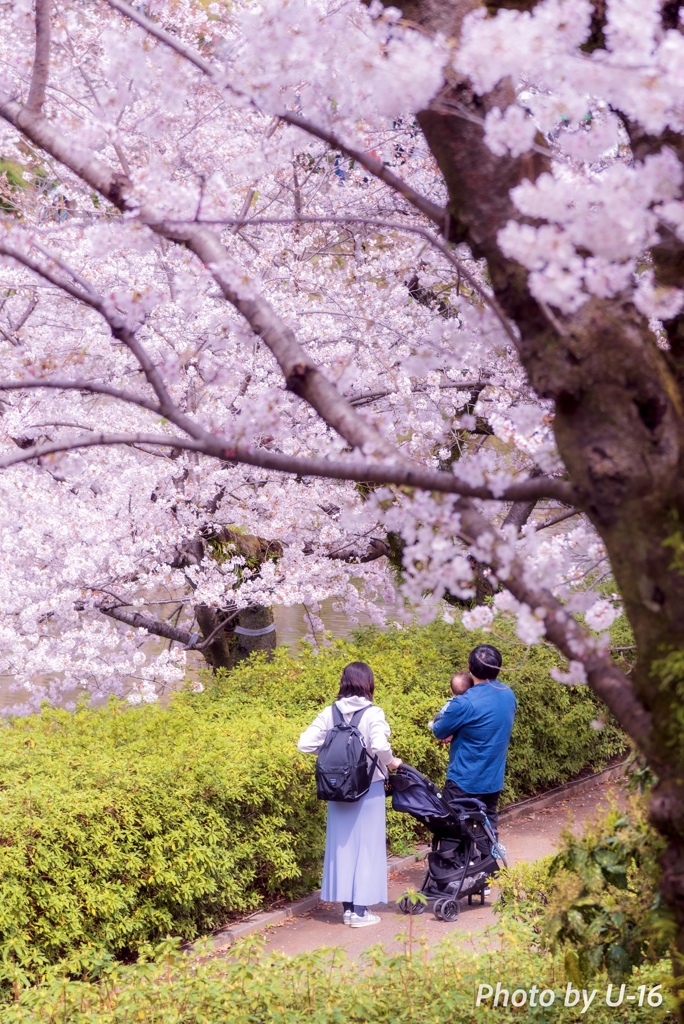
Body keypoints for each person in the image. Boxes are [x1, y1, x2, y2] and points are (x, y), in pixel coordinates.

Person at [297, 661, 401, 928]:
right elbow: (379, 744)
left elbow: (304, 743)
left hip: (337, 789)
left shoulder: (329, 712)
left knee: (341, 848)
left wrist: (332, 749)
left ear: (344, 682)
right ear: (368, 683)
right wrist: (391, 762)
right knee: (367, 848)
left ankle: (347, 910)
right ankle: (360, 912)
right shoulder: (373, 713)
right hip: (368, 788)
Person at [431, 644, 516, 840]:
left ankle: (457, 870)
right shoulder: (508, 695)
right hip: (493, 779)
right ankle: (490, 868)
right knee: (488, 829)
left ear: (469, 667)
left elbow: (439, 730)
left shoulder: (464, 702)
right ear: (498, 668)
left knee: (453, 834)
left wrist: (448, 728)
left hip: (464, 780)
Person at [427, 671, 474, 737]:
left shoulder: (453, 704)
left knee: (439, 718)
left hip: (443, 718)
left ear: (451, 691)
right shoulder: (473, 701)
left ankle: (434, 724)